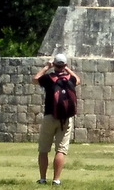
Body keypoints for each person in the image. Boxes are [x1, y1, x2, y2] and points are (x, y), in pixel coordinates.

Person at [33, 53, 80, 185]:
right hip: (65, 119)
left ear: (54, 65)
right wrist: (68, 69)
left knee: (43, 149)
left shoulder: (48, 78)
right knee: (61, 150)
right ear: (64, 65)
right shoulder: (70, 79)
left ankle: (42, 179)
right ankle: (56, 180)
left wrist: (47, 66)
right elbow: (78, 79)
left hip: (50, 116)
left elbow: (35, 79)